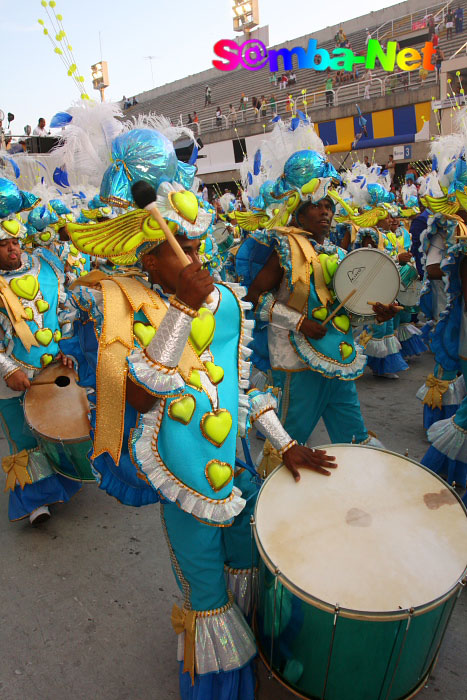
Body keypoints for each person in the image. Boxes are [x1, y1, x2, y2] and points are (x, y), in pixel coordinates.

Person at [62, 126, 336, 700]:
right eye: (175, 247)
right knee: (207, 593)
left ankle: (255, 654)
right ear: (146, 256)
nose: (194, 256)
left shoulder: (226, 301)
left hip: (233, 468)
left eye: (195, 242)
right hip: (184, 476)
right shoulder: (117, 301)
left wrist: (285, 444)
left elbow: (242, 388)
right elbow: (139, 393)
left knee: (248, 568)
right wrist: (181, 309)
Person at [0, 178, 81, 525]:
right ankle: (35, 502)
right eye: (3, 245)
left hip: (52, 369)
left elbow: (64, 311)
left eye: (14, 242)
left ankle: (64, 481)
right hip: (12, 376)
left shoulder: (46, 267)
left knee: (59, 428)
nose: (13, 249)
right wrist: (7, 369)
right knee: (22, 436)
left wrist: (66, 349)